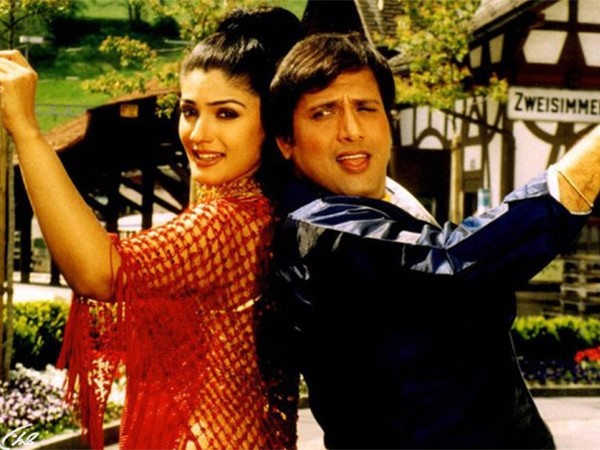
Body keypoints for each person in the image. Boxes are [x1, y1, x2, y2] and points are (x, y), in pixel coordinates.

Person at [269, 31, 600, 449]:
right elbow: (455, 261)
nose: (351, 130)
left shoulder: (387, 204)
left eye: (366, 108)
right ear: (286, 140)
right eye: (323, 113)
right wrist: (585, 167)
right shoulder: (322, 234)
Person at [0, 6, 302, 450]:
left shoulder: (230, 221)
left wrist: (26, 130)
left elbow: (99, 272)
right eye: (189, 111)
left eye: (226, 114)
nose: (198, 133)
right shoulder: (269, 211)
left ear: (270, 121)